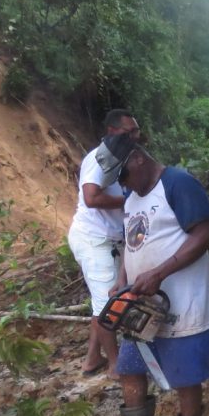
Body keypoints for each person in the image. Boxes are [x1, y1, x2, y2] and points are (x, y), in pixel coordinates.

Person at [97, 134, 209, 416]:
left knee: (185, 379)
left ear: (137, 158)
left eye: (121, 175)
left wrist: (159, 273)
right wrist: (121, 280)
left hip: (183, 307)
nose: (122, 183)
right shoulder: (132, 196)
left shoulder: (178, 184)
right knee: (130, 368)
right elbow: (130, 245)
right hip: (141, 308)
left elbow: (204, 234)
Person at [67, 109, 140, 379]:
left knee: (104, 300)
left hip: (110, 240)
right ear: (112, 132)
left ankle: (91, 359)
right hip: (94, 240)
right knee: (108, 304)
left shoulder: (122, 159)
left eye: (136, 130)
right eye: (129, 132)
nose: (136, 136)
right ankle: (115, 365)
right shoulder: (98, 159)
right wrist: (130, 200)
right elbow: (91, 198)